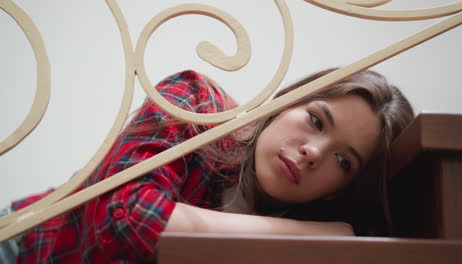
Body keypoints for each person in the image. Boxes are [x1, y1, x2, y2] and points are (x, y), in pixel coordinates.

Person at [0, 68, 414, 263]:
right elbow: (126, 217)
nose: (313, 153)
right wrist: (315, 235)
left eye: (342, 160)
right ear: (288, 103)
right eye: (316, 120)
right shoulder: (196, 106)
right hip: (24, 247)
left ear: (340, 190)